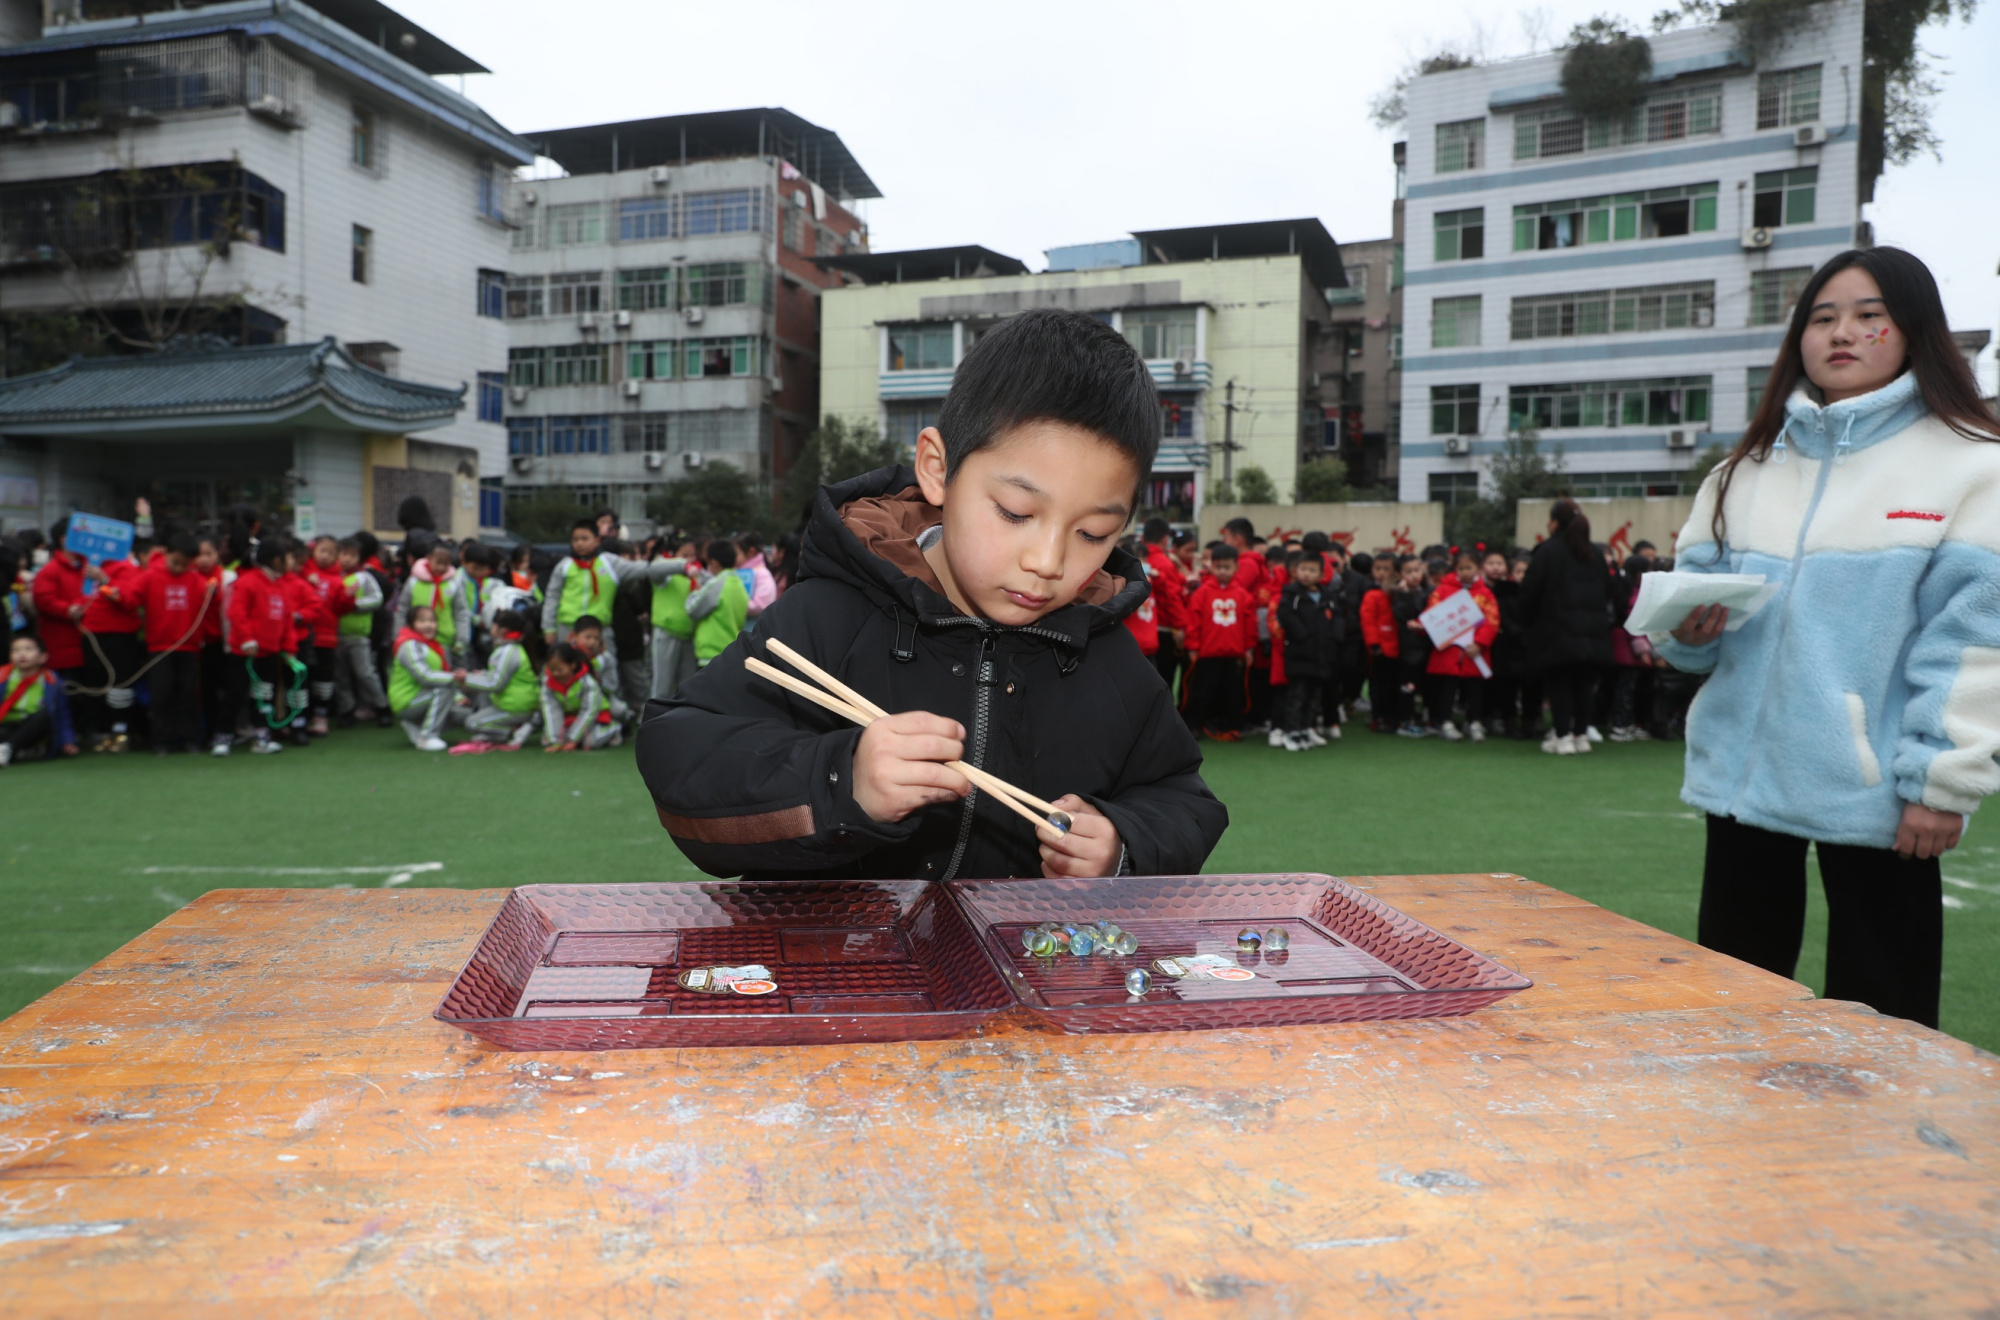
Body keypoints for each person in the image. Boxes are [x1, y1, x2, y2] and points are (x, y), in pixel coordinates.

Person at [636, 306, 1227, 881]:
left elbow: (1183, 799)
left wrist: (1121, 843)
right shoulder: (833, 614)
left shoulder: (1104, 655)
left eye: (1092, 533)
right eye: (1016, 512)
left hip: (1019, 971)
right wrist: (844, 781)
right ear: (937, 469)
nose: (1047, 563)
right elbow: (682, 753)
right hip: (838, 968)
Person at [1656, 247, 2000, 1030]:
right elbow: (1693, 631)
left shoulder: (1974, 466)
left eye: (1869, 315)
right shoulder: (1743, 470)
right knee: (1733, 1007)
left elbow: (1979, 641)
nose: (1842, 332)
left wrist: (1941, 782)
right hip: (1743, 785)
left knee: (1884, 1017)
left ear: (1913, 330)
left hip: (1882, 794)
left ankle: (1883, 1146)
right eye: (1822, 317)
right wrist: (1686, 634)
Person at [1519, 499, 1613, 756]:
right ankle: (1581, 735)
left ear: (1555, 522)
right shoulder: (1595, 554)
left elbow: (1530, 592)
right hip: (1592, 631)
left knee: (1559, 682)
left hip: (1557, 629)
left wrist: (1527, 623)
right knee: (1584, 684)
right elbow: (1608, 592)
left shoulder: (1547, 551)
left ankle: (1562, 736)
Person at [122, 532, 215, 754]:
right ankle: (161, 740)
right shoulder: (149, 576)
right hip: (159, 646)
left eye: (185, 565)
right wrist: (111, 589)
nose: (180, 568)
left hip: (189, 646)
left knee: (188, 694)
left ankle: (189, 738)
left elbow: (212, 598)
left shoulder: (195, 579)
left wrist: (214, 591)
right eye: (176, 563)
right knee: (162, 694)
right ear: (166, 554)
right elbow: (130, 599)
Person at [223, 537, 300, 755]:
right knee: (235, 694)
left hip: (269, 653)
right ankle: (223, 737)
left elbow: (286, 620)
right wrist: (247, 638)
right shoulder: (247, 582)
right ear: (277, 561)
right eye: (287, 558)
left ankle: (261, 737)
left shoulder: (281, 586)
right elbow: (236, 613)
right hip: (244, 652)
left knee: (264, 696)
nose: (290, 563)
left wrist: (289, 649)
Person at [1423, 549, 1499, 742]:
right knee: (1447, 687)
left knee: (1475, 688)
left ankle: (1474, 722)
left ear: (1477, 568)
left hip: (1474, 651)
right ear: (1455, 569)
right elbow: (1433, 614)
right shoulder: (1442, 590)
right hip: (1450, 650)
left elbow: (1492, 620)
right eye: (1461, 568)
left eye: (1469, 567)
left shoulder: (1485, 593)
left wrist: (1480, 643)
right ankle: (1446, 722)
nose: (1465, 572)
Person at [1182, 543, 1255, 741]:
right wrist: (1193, 647)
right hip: (1207, 653)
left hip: (1233, 653)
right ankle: (1195, 725)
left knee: (1231, 693)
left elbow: (1250, 623)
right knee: (1202, 692)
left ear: (1236, 568)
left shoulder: (1243, 595)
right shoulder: (1202, 593)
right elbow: (1193, 622)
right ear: (1211, 567)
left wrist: (1249, 647)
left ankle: (1229, 725)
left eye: (1227, 567)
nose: (1223, 571)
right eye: (1219, 567)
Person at [1275, 551, 1340, 751]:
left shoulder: (1327, 596)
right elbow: (1285, 616)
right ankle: (1291, 732)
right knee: (1297, 695)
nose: (1306, 574)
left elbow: (1337, 618)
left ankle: (1306, 729)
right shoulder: (1291, 594)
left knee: (1313, 696)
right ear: (1295, 571)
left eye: (1312, 570)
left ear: (1321, 574)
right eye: (1303, 569)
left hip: (1320, 655)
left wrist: (1334, 639)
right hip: (1299, 654)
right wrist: (1302, 635)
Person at [387, 603, 467, 752]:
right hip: (406, 700)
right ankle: (427, 736)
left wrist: (458, 698)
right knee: (445, 690)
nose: (428, 625)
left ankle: (415, 725)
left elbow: (439, 676)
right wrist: (454, 678)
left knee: (463, 715)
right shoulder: (409, 645)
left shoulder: (432, 646)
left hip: (424, 697)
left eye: (432, 621)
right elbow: (424, 676)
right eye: (422, 621)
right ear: (411, 624)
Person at [459, 607, 540, 747]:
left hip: (516, 707)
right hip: (515, 704)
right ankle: (500, 732)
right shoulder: (512, 648)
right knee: (482, 694)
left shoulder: (507, 651)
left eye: (493, 625)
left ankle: (513, 730)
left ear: (502, 630)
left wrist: (467, 679)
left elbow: (495, 684)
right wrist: (479, 676)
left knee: (472, 723)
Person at [331, 537, 387, 726]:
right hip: (336, 634)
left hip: (359, 635)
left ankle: (381, 706)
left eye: (352, 555)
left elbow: (377, 598)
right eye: (343, 554)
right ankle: (346, 709)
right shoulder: (333, 578)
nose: (347, 559)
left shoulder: (364, 577)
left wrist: (356, 605)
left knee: (365, 673)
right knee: (341, 675)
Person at [0, 633, 77, 766]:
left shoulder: (52, 682)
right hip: (5, 726)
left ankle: (8, 749)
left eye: (28, 649)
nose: (21, 654)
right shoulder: (2, 676)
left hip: (32, 729)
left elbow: (62, 715)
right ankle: (13, 750)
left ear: (43, 657)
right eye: (16, 650)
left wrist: (67, 741)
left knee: (45, 716)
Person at [394, 539, 472, 667]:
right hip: (414, 638)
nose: (441, 567)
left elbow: (461, 612)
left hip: (444, 640)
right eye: (438, 563)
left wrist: (462, 639)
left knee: (442, 673)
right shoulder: (414, 581)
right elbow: (402, 609)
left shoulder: (453, 583)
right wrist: (398, 634)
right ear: (428, 558)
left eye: (446, 564)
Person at [644, 538, 700, 702]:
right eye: (684, 555)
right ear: (673, 555)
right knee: (662, 688)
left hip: (689, 637)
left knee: (686, 688)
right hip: (666, 634)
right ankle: (652, 723)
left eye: (692, 555)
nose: (689, 559)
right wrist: (682, 565)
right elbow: (654, 569)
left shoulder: (695, 576)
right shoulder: (666, 576)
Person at [1392, 556, 1438, 736]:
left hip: (1428, 645)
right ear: (1400, 574)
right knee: (1407, 686)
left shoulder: (1430, 591)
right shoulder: (1398, 594)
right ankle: (1405, 722)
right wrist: (1404, 595)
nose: (1414, 575)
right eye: (1408, 572)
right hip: (1408, 648)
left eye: (1417, 570)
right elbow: (1404, 616)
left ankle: (1429, 718)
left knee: (1428, 685)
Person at [686, 540, 749, 669]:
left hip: (710, 653)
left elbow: (692, 609)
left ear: (714, 562)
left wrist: (694, 591)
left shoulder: (717, 583)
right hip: (730, 651)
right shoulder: (739, 584)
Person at [539, 641, 612, 751]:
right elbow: (551, 711)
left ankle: (615, 727)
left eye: (560, 670)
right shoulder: (547, 683)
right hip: (571, 718)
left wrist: (573, 739)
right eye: (552, 669)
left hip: (596, 717)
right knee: (548, 740)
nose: (555, 674)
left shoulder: (587, 682)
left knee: (590, 743)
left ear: (572, 665)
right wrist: (555, 741)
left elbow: (589, 711)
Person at [1359, 553, 1402, 733]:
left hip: (1400, 647)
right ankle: (1378, 716)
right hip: (1381, 649)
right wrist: (1374, 644)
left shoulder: (1400, 593)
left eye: (1386, 569)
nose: (1382, 573)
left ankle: (1394, 716)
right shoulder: (1372, 594)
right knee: (1379, 686)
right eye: (1378, 568)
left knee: (1395, 685)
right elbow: (1367, 621)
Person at [735, 532, 779, 618]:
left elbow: (763, 604)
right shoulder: (735, 571)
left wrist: (734, 604)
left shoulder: (762, 574)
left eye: (737, 553)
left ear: (751, 552)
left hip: (753, 628)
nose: (733, 557)